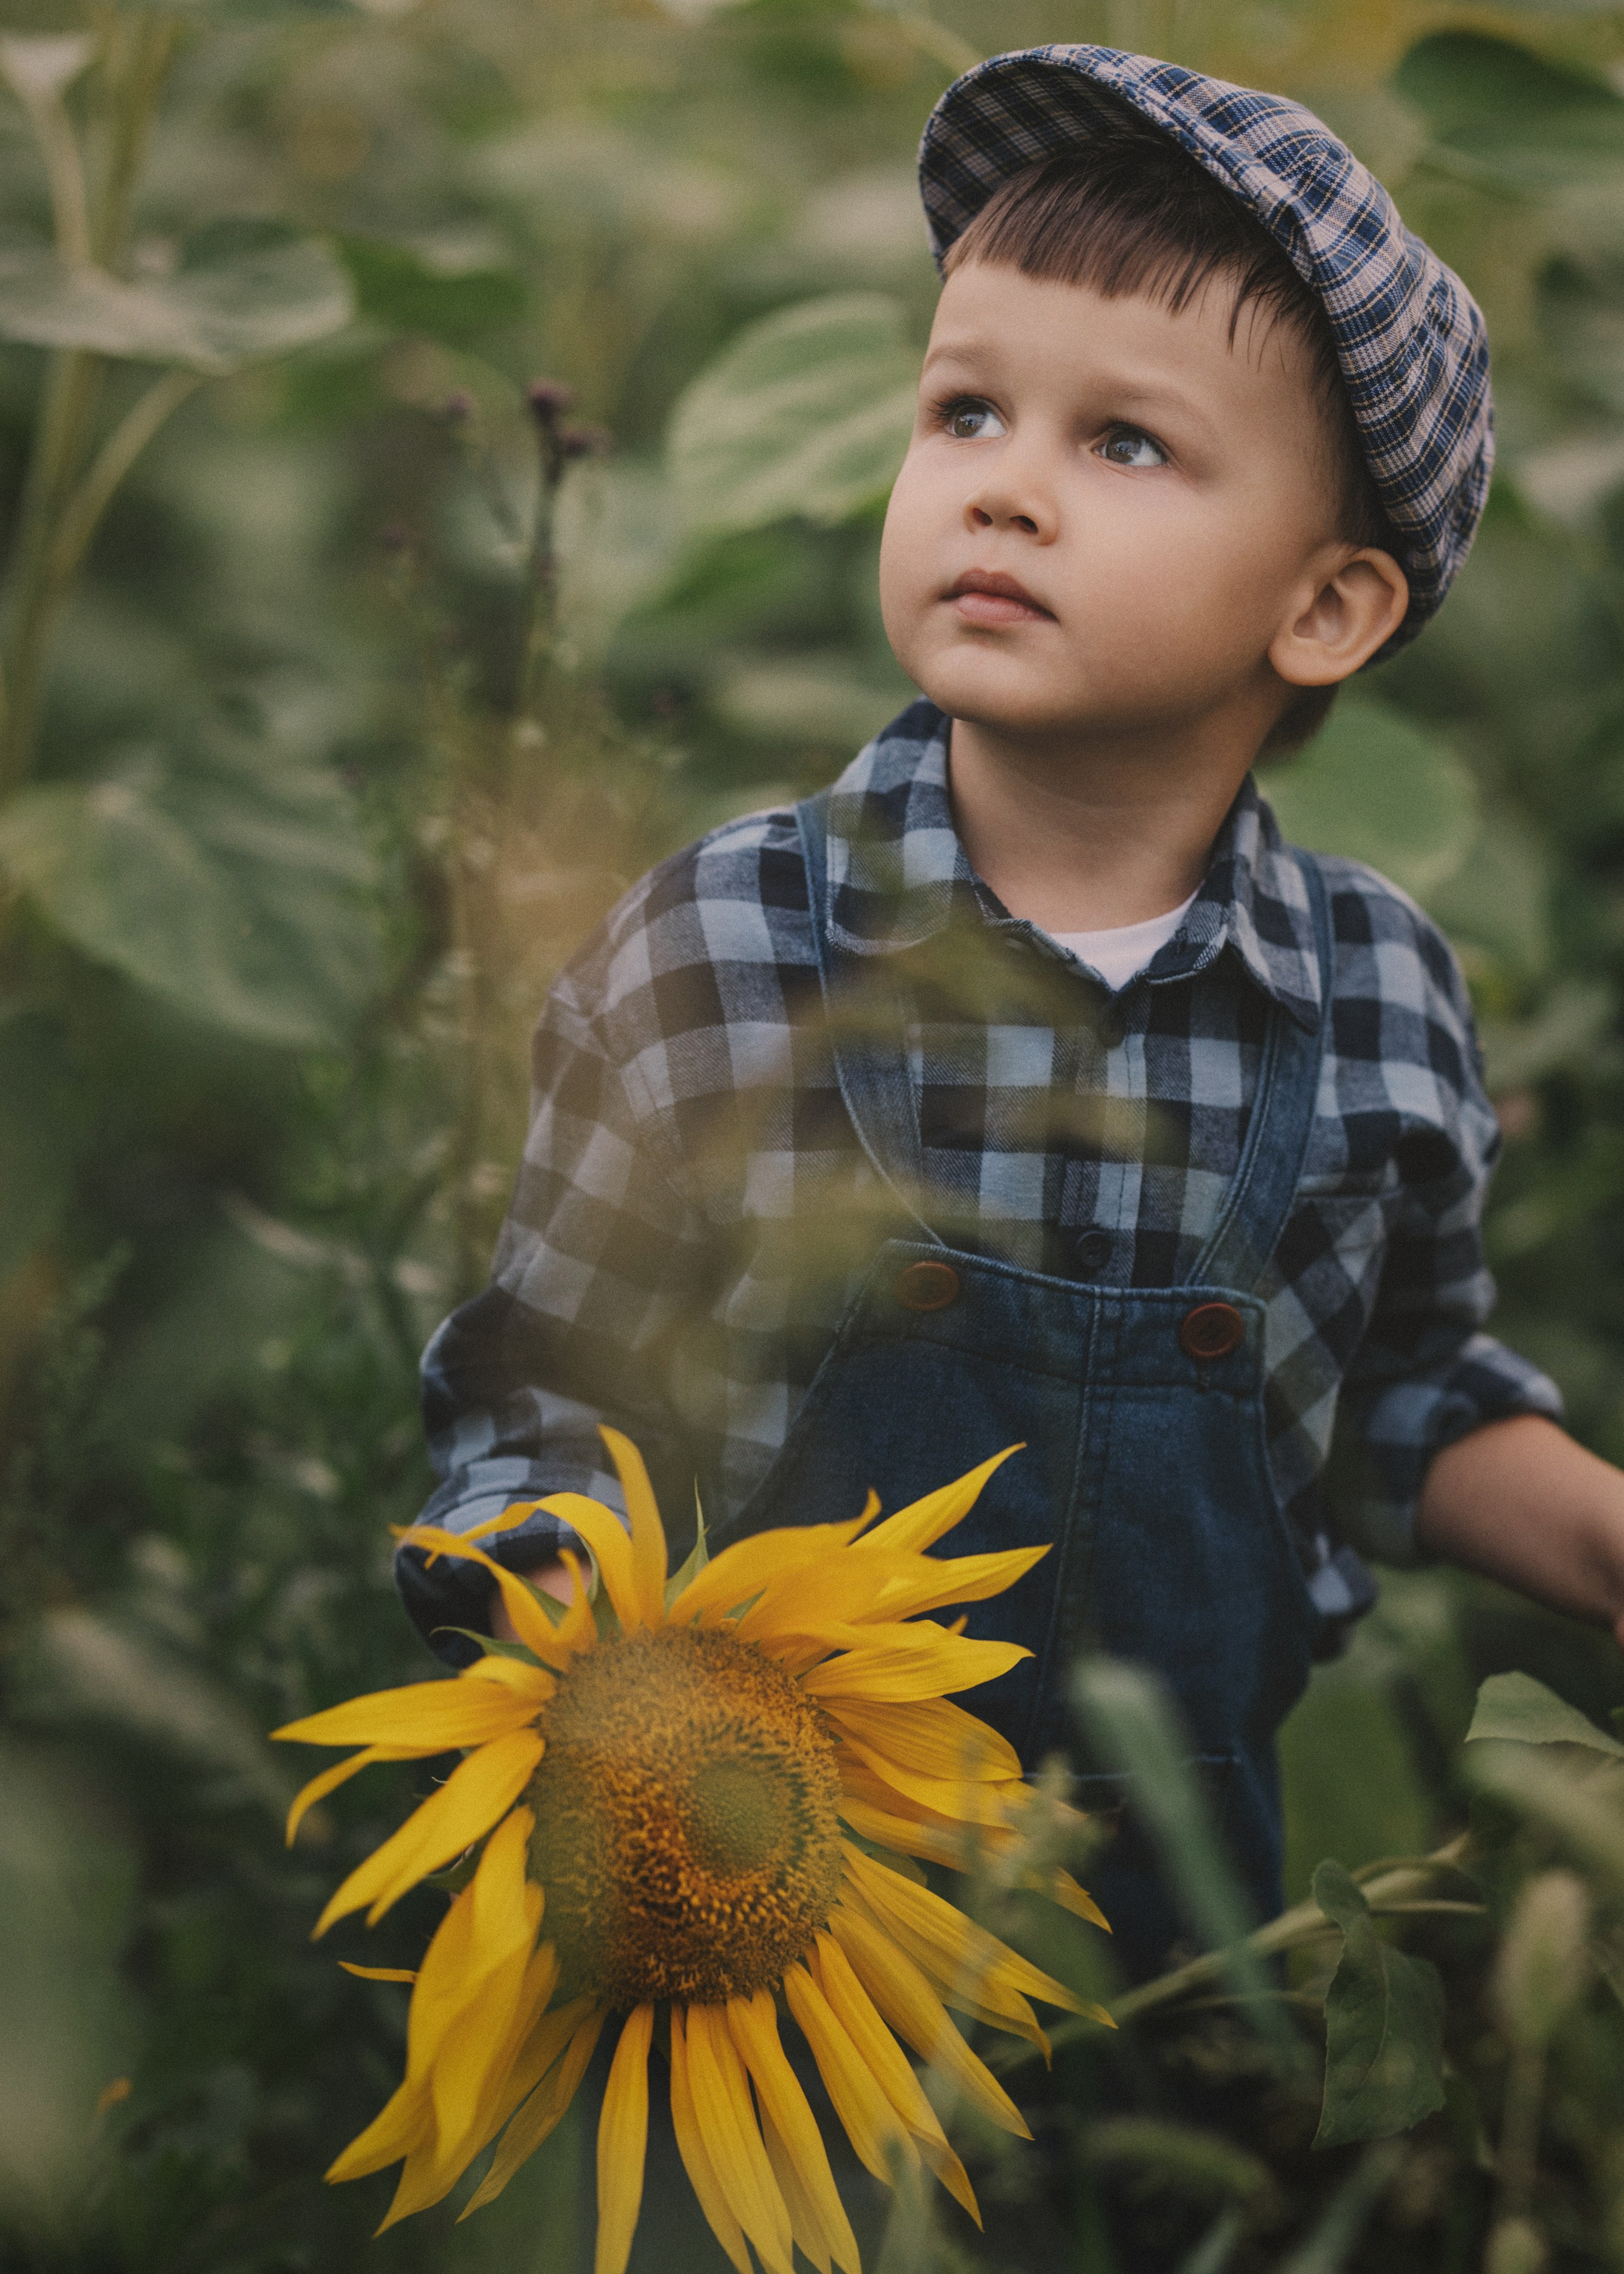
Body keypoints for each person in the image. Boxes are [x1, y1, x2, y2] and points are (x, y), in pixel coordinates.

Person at [398, 45, 1624, 1981]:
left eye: (1124, 443)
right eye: (966, 409)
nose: (1006, 489)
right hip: (745, 1926)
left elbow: (1393, 1398)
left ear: (1325, 609)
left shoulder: (1377, 998)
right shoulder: (726, 944)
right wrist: (574, 1646)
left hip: (1181, 1959)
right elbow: (542, 1385)